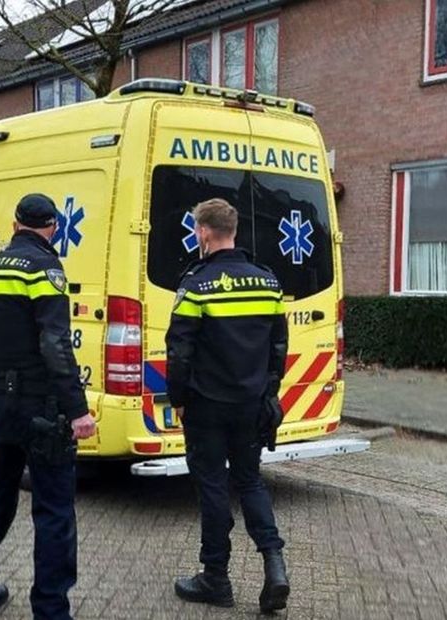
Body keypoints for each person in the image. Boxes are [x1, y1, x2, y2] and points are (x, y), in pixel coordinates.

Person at [0, 193, 97, 620]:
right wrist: (78, 409)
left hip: (0, 408)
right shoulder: (46, 269)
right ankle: (51, 611)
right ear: (52, 227)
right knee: (54, 511)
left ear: (16, 223)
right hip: (44, 411)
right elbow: (55, 344)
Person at [166, 198, 291, 613]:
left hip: (206, 406)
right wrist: (268, 391)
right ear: (232, 230)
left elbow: (179, 351)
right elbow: (278, 347)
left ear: (203, 232)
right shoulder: (268, 282)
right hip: (251, 403)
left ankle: (215, 579)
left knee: (213, 487)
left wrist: (179, 398)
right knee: (250, 481)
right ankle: (275, 566)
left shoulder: (196, 285)